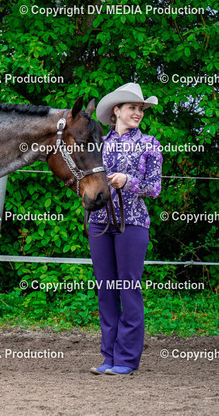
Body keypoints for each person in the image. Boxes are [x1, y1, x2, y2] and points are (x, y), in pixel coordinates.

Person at [88, 83, 163, 375]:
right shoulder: (98, 144)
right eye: (132, 107)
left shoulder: (150, 144)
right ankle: (108, 356)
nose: (138, 113)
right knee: (106, 291)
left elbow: (154, 188)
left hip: (132, 223)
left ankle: (127, 359)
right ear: (116, 110)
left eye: (141, 109)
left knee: (128, 289)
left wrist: (128, 181)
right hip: (100, 223)